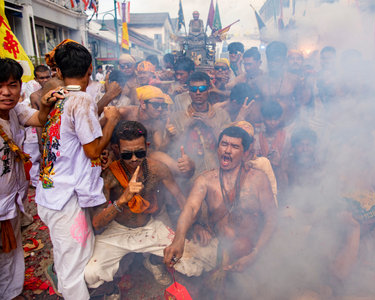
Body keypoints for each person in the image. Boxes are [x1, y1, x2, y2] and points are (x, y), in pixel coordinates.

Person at [85, 121, 217, 297]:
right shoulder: (108, 175)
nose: (133, 158)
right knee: (91, 273)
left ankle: (154, 261)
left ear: (146, 146)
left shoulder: (157, 169)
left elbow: (181, 199)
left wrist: (196, 224)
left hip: (149, 228)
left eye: (139, 152)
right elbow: (96, 222)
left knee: (203, 257)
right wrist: (123, 199)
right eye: (127, 154)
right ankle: (111, 288)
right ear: (116, 150)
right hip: (116, 232)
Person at [35, 42, 120, 300]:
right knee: (74, 267)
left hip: (51, 194)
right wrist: (112, 120)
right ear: (91, 69)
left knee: (67, 258)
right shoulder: (81, 99)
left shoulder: (58, 98)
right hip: (64, 200)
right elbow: (92, 151)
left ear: (58, 72)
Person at [163, 126, 277, 298]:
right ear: (218, 148)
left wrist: (255, 253)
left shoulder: (258, 179)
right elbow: (191, 208)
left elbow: (272, 219)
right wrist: (179, 240)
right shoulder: (206, 180)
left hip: (252, 249)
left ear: (245, 153)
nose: (228, 150)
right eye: (224, 144)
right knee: (180, 265)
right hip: (218, 246)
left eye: (235, 146)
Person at [0, 58, 60, 300]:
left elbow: (40, 119)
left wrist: (45, 104)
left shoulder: (15, 111)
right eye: (0, 86)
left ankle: (10, 293)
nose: (6, 92)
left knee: (10, 251)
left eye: (12, 85)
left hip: (9, 201)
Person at [169, 71, 231, 176]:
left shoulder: (221, 115)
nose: (198, 92)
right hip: (190, 176)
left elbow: (229, 148)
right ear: (189, 92)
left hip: (217, 173)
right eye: (193, 89)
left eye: (202, 89)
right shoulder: (178, 117)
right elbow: (173, 151)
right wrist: (187, 128)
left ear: (208, 90)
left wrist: (212, 126)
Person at [256, 41, 310, 124]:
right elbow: (257, 107)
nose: (272, 63)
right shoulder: (259, 81)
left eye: (277, 61)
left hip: (288, 124)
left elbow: (301, 105)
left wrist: (296, 126)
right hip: (267, 127)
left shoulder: (294, 80)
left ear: (284, 60)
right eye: (270, 60)